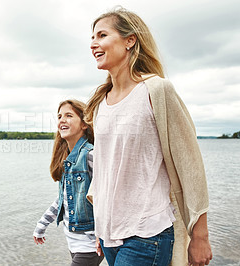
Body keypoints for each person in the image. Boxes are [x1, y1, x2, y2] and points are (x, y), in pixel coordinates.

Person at [85, 6, 213, 266]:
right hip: (110, 235)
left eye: (101, 35)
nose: (93, 44)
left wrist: (200, 236)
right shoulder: (100, 103)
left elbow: (191, 165)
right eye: (92, 38)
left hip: (147, 233)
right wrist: (101, 227)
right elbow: (103, 171)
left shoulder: (157, 91)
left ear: (129, 40)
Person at [33, 99, 104, 266]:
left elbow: (105, 197)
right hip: (73, 243)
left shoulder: (91, 155)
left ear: (84, 124)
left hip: (91, 244)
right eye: (59, 116)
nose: (62, 120)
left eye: (69, 115)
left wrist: (103, 233)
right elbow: (63, 199)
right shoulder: (68, 159)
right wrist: (42, 224)